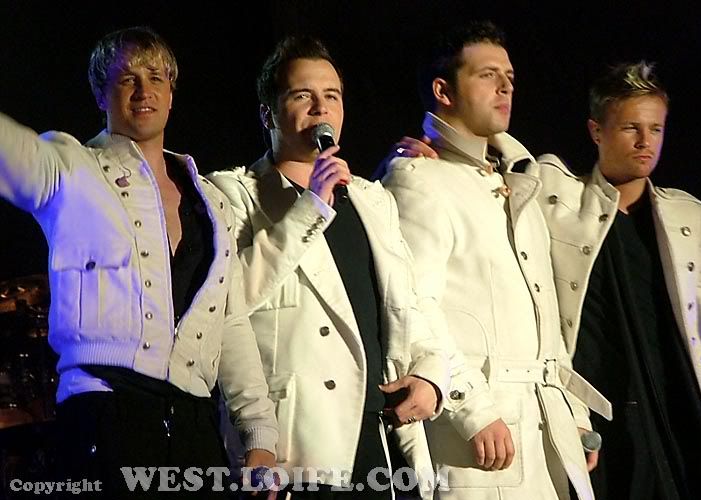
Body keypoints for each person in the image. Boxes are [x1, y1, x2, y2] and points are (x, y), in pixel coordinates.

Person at [0, 26, 278, 497]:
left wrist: (259, 433)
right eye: (127, 79)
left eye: (155, 78)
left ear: (171, 92)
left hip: (192, 422)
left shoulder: (211, 201)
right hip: (103, 410)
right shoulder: (72, 168)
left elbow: (227, 320)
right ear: (100, 94)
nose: (143, 90)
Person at [208, 36, 449, 499]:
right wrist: (310, 207)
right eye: (303, 95)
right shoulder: (232, 193)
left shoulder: (371, 199)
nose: (321, 108)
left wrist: (432, 375)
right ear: (268, 114)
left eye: (332, 96)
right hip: (300, 444)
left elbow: (413, 302)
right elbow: (229, 302)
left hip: (382, 436)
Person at [380, 20, 609, 500]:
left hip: (546, 430)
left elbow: (545, 315)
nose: (505, 86)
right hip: (482, 442)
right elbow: (414, 306)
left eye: (509, 77)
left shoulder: (517, 181)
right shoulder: (419, 178)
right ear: (443, 90)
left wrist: (572, 412)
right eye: (487, 75)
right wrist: (473, 410)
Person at [531, 61, 701, 499]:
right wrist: (428, 149)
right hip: (598, 411)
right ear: (596, 131)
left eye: (656, 128)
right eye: (631, 127)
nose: (646, 141)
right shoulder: (557, 199)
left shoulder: (687, 216)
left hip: (674, 410)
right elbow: (497, 171)